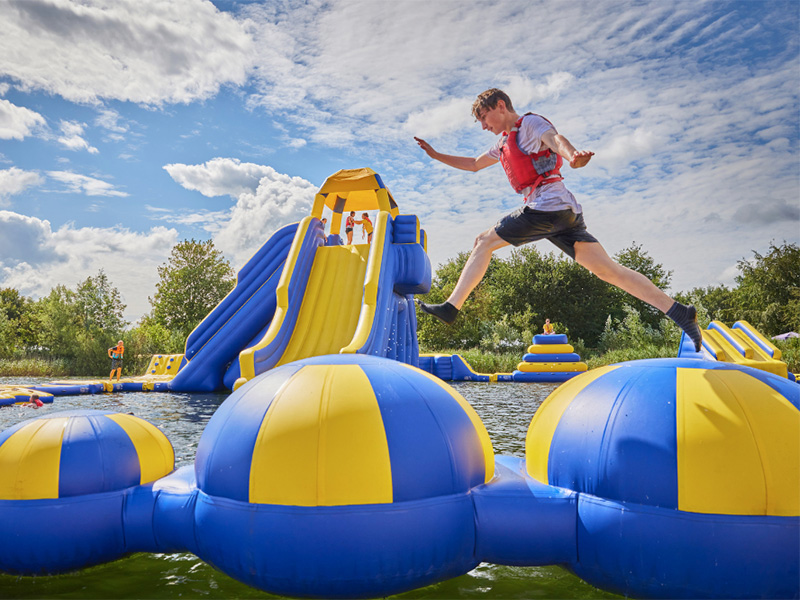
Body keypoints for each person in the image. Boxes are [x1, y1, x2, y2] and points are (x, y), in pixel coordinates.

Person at [413, 88, 703, 351]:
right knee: (609, 271)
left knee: (483, 241)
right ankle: (679, 311)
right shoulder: (502, 144)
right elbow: (474, 164)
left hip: (547, 206)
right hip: (564, 213)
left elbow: (554, 139)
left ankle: (452, 306)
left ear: (500, 106)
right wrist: (436, 155)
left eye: (484, 117)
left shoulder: (530, 125)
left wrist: (573, 154)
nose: (483, 126)